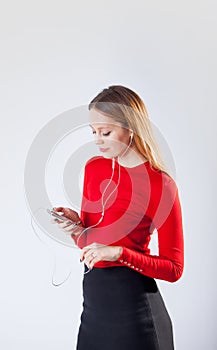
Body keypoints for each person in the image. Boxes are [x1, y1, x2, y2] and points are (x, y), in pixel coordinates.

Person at [52, 85, 184, 350]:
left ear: (131, 128)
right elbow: (89, 241)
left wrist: (119, 254)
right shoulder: (94, 168)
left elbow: (174, 268)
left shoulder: (161, 184)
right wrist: (76, 226)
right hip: (93, 312)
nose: (98, 139)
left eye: (106, 132)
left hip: (137, 316)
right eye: (94, 132)